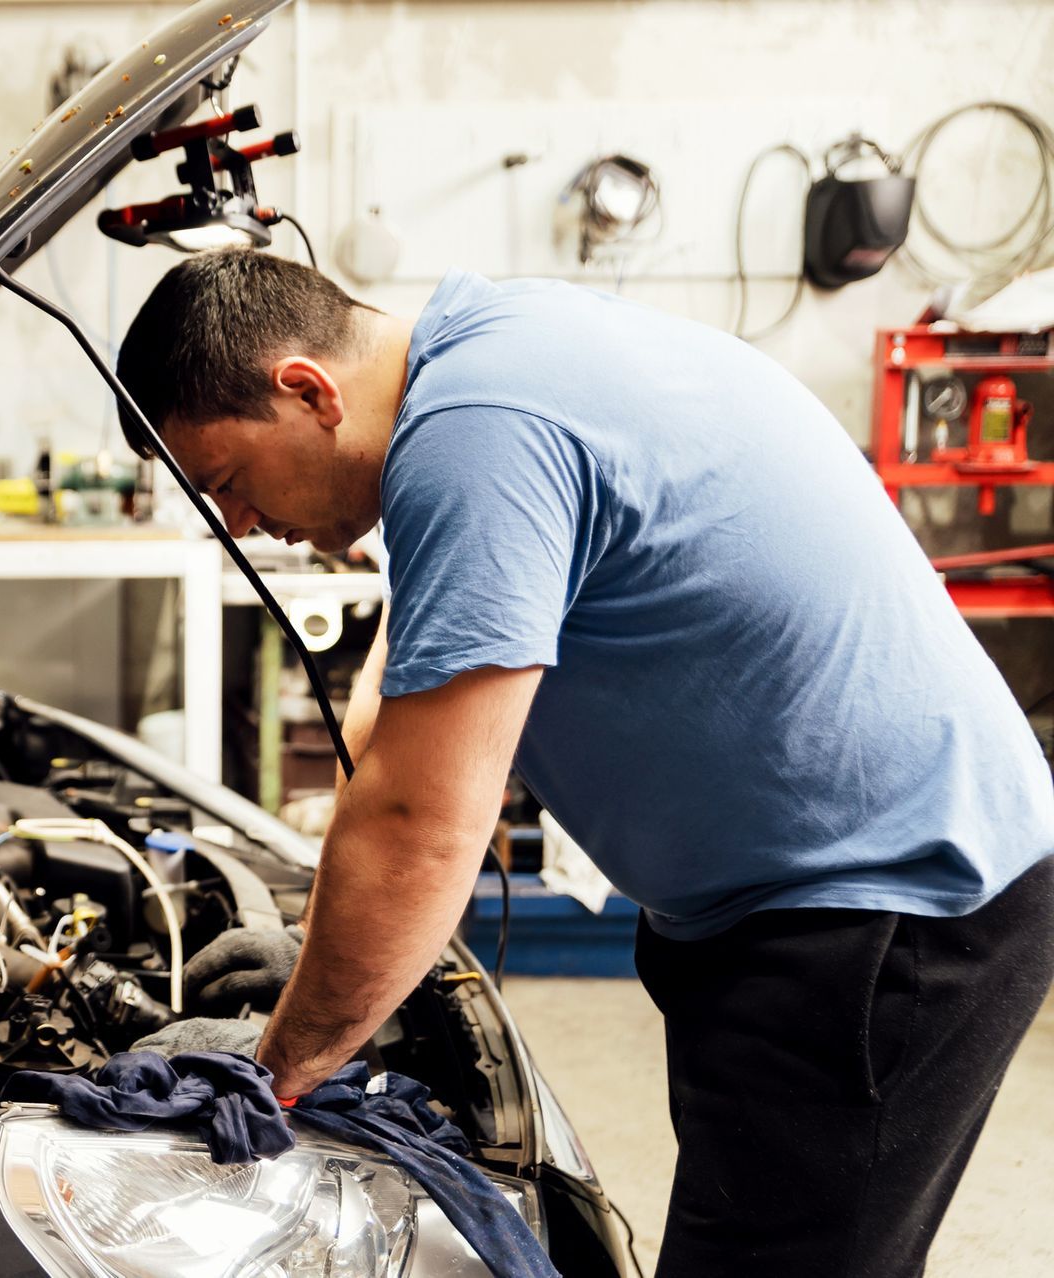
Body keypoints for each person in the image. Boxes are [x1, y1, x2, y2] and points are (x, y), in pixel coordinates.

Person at [117, 249, 1054, 1277]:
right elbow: (403, 685)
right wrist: (320, 955)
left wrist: (274, 1074)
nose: (241, 529)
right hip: (797, 896)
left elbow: (421, 831)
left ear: (307, 389)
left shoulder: (476, 438)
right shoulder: (484, 353)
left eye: (228, 486)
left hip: (882, 910)